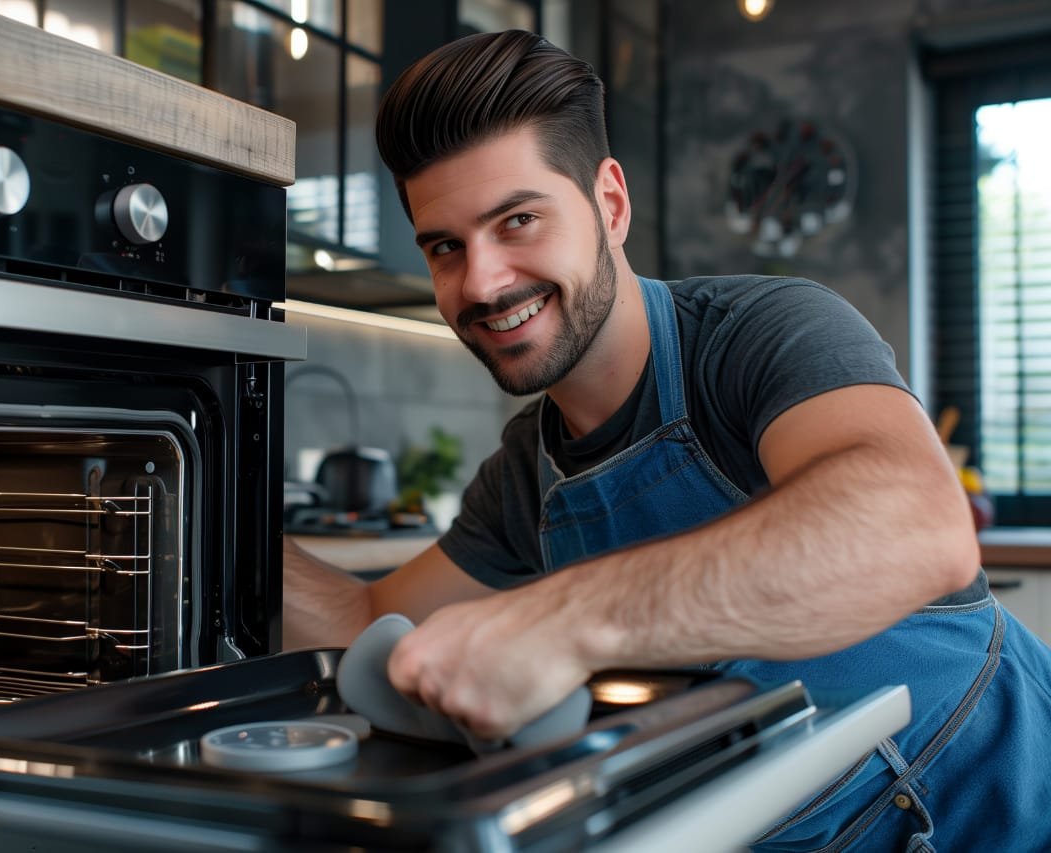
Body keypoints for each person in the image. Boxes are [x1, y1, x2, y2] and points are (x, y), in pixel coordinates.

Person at [283, 28, 1051, 851]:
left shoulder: (760, 335)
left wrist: (567, 618)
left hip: (996, 812)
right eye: (445, 246)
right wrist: (202, 514)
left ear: (609, 204)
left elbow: (914, 527)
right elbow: (366, 618)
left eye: (517, 220)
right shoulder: (523, 474)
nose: (480, 281)